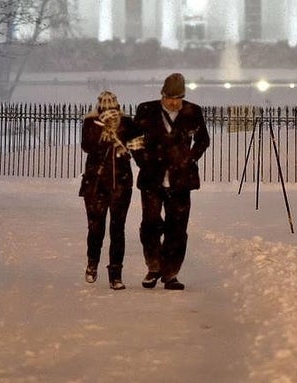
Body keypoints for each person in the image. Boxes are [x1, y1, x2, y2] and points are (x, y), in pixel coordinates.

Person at [132, 72, 210, 290]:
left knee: (177, 228)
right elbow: (134, 139)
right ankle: (153, 266)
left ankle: (171, 273)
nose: (174, 102)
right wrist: (143, 161)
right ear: (162, 95)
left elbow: (203, 140)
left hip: (181, 180)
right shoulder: (147, 110)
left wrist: (189, 159)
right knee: (150, 224)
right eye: (170, 98)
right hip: (152, 178)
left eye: (178, 98)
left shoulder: (193, 112)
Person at [79, 90, 140, 288]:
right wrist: (105, 135)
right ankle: (92, 262)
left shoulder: (126, 123)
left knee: (117, 229)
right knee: (95, 227)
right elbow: (87, 146)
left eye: (112, 108)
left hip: (120, 182)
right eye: (105, 108)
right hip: (96, 183)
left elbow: (138, 146)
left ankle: (116, 273)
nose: (108, 111)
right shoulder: (91, 123)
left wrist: (130, 145)